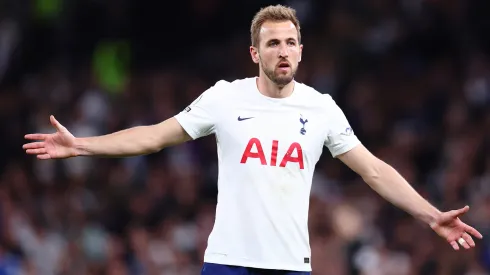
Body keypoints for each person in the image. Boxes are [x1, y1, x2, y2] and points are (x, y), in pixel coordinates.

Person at [23, 4, 483, 275]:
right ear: (254, 52)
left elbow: (373, 169)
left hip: (289, 265)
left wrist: (430, 216)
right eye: (272, 43)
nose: (282, 51)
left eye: (290, 42)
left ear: (301, 50)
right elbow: (154, 137)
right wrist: (82, 144)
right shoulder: (224, 98)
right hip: (228, 261)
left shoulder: (321, 107)